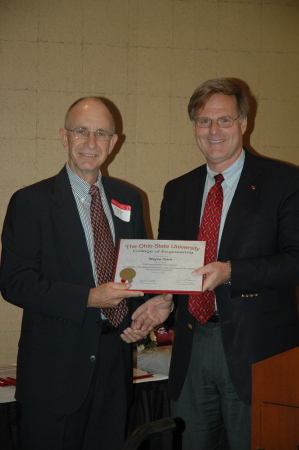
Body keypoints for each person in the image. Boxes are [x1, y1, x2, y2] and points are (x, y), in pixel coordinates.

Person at [0, 97, 172, 450]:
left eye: (101, 134)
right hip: (54, 373)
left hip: (114, 367)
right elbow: (14, 282)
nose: (91, 143)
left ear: (113, 143)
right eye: (81, 132)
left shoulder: (129, 197)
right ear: (64, 137)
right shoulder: (30, 202)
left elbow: (141, 271)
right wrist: (89, 298)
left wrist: (143, 315)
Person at [157, 78, 299, 449]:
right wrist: (160, 300)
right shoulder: (178, 189)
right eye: (204, 121)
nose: (213, 130)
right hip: (191, 345)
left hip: (258, 350)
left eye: (224, 120)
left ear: (243, 123)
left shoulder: (286, 182)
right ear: (194, 128)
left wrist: (232, 272)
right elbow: (168, 265)